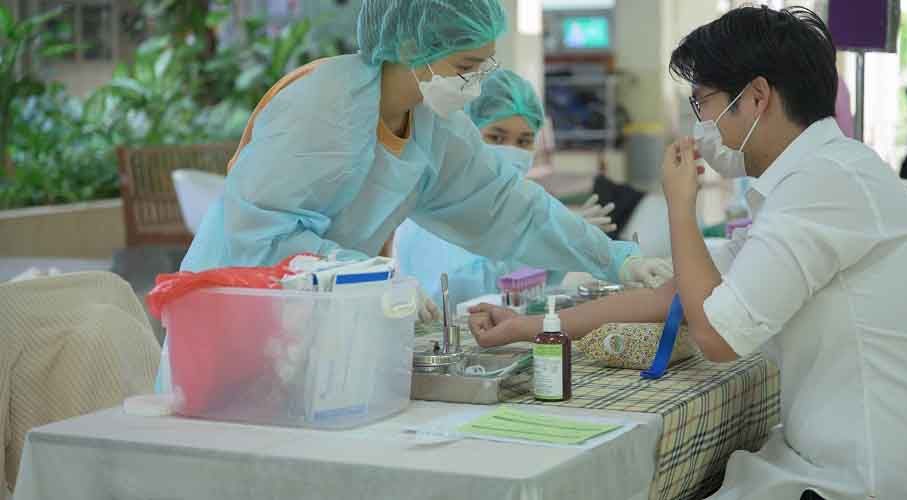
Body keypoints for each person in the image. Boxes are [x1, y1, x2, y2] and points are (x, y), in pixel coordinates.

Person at [469, 6, 907, 499]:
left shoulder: (823, 183)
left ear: (757, 97)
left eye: (704, 103)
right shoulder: (826, 173)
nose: (700, 124)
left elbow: (716, 335)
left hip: (869, 479)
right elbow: (678, 295)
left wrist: (680, 206)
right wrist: (528, 327)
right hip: (863, 460)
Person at [155, 0, 671, 393]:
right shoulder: (322, 108)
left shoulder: (431, 123)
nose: (476, 83)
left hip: (314, 334)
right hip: (233, 323)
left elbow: (507, 207)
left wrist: (615, 260)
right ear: (412, 47)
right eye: (468, 65)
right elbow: (262, 239)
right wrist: (373, 275)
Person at [393, 69, 616, 306]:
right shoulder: (437, 202)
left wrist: (565, 242)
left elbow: (537, 290)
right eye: (496, 138)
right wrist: (543, 245)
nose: (511, 150)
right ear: (466, 134)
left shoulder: (518, 202)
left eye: (523, 141)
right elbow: (453, 293)